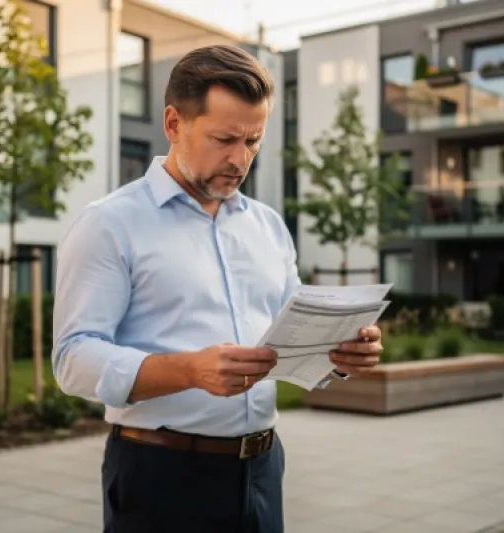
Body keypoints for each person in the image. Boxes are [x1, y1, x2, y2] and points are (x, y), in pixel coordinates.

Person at [52, 44, 384, 533]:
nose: (240, 159)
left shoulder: (268, 226)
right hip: (160, 478)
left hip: (263, 470)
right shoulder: (109, 224)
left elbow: (289, 338)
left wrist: (338, 356)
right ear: (173, 124)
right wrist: (189, 369)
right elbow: (72, 360)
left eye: (253, 141)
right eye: (224, 138)